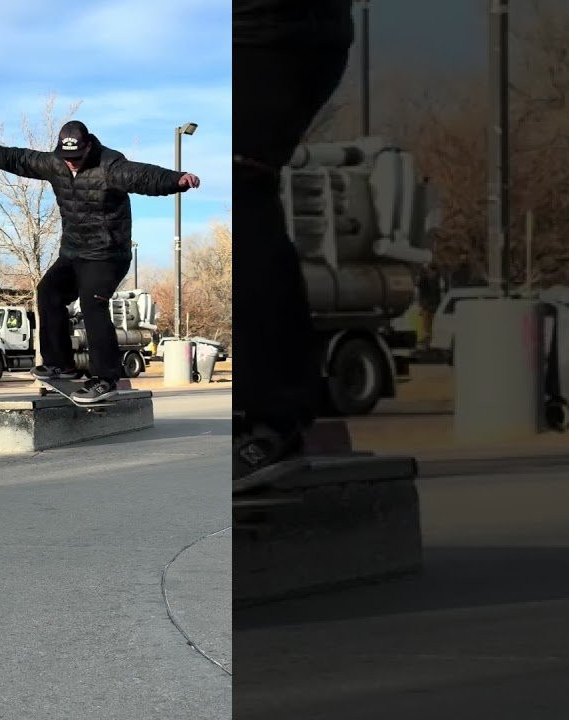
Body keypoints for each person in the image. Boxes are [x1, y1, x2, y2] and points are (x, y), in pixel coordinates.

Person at [0, 120, 200, 403]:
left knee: (92, 302)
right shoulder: (55, 163)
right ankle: (60, 364)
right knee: (48, 292)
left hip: (108, 255)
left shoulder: (110, 165)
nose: (71, 165)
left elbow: (143, 176)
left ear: (88, 147)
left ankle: (106, 377)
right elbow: (18, 158)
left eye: (76, 159)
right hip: (73, 253)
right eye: (66, 159)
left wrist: (177, 179)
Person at [233, 0, 355, 477]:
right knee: (243, 185)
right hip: (284, 30)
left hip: (268, 31)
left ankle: (270, 421)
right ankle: (274, 411)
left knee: (240, 184)